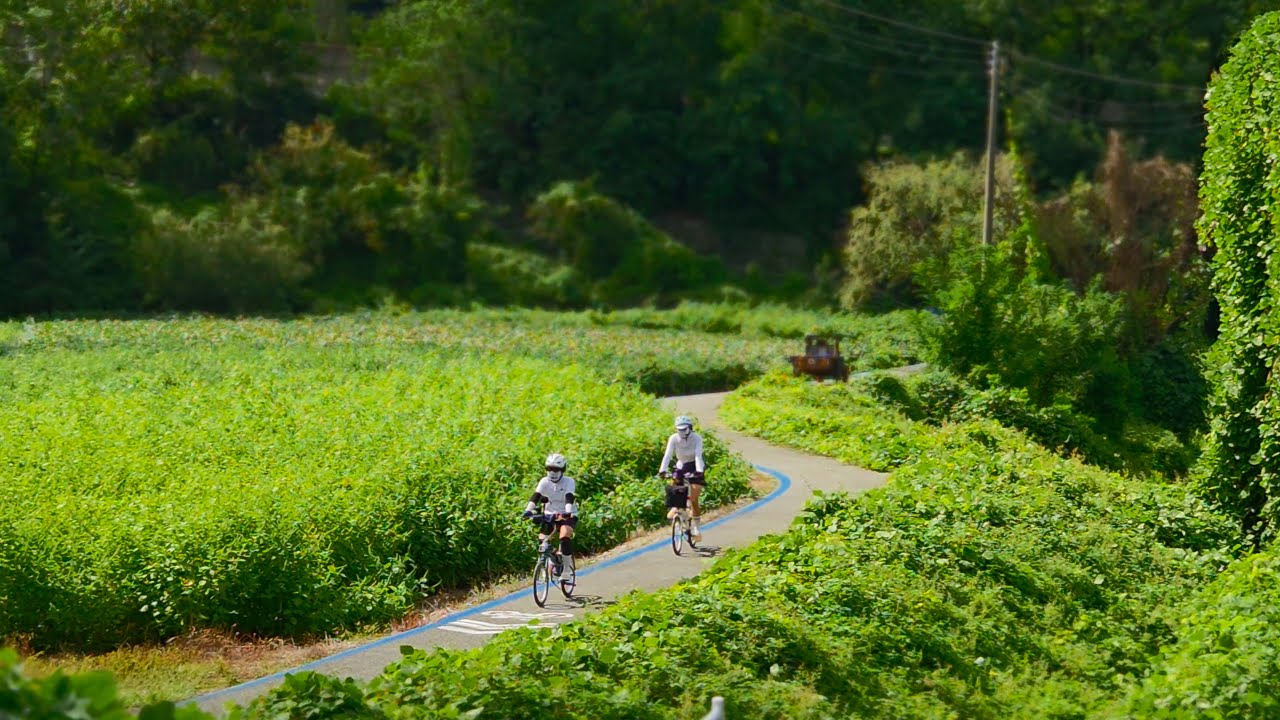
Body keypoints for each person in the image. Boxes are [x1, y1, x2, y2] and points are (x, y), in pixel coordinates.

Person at [522, 452, 578, 575]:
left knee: (564, 536)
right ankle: (556, 557)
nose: (552, 472)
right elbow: (536, 496)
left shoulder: (569, 481)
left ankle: (567, 571)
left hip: (567, 513)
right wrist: (528, 510)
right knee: (542, 541)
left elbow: (569, 496)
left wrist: (567, 512)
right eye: (549, 469)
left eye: (556, 469)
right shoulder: (544, 481)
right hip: (550, 514)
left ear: (562, 470)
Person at [658, 415, 706, 537]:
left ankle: (696, 527)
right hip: (681, 466)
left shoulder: (697, 438)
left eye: (684, 429)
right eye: (679, 429)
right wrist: (662, 470)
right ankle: (678, 510)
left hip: (695, 466)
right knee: (675, 489)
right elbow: (668, 455)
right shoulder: (673, 438)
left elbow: (698, 456)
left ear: (690, 428)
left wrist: (699, 471)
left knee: (694, 498)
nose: (681, 432)